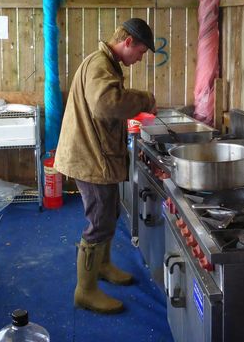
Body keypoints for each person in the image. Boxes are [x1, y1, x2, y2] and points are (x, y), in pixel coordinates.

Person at [54, 17, 157, 314]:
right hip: (90, 158)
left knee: (109, 213)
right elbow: (105, 104)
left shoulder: (105, 63)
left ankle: (103, 265)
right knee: (99, 221)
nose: (138, 59)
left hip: (93, 154)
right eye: (140, 52)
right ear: (128, 42)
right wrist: (145, 100)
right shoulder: (100, 64)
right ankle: (84, 291)